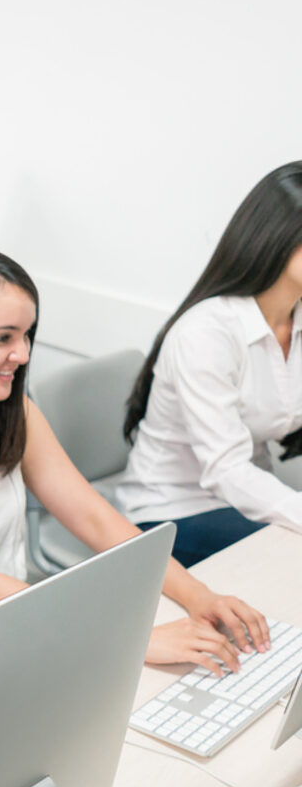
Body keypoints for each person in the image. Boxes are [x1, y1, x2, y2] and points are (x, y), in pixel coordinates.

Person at [0, 244, 269, 675]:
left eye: (26, 336)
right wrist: (128, 636)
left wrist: (199, 596)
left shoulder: (12, 414)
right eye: (3, 338)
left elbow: (94, 519)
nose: (22, 354)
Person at [118, 161, 302, 566]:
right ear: (277, 239)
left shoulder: (295, 319)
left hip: (244, 500)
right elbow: (227, 470)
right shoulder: (207, 333)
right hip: (171, 511)